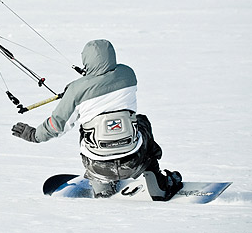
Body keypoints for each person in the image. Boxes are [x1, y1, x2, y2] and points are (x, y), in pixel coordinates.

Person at [11, 39, 183, 200]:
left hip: (98, 165)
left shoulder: (76, 90)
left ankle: (101, 185)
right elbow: (105, 81)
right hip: (134, 160)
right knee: (141, 121)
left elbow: (57, 125)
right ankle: (156, 180)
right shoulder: (128, 74)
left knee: (85, 129)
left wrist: (33, 134)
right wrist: (79, 87)